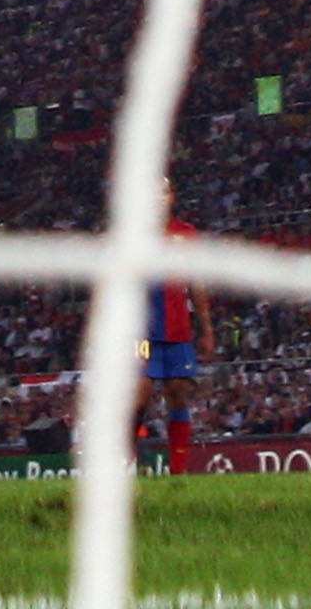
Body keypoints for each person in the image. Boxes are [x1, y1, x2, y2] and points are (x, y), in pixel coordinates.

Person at [144, 195, 210, 474]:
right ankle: (133, 464)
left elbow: (197, 283)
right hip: (141, 334)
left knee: (179, 395)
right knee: (140, 397)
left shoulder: (186, 234)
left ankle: (178, 472)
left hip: (178, 332)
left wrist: (206, 329)